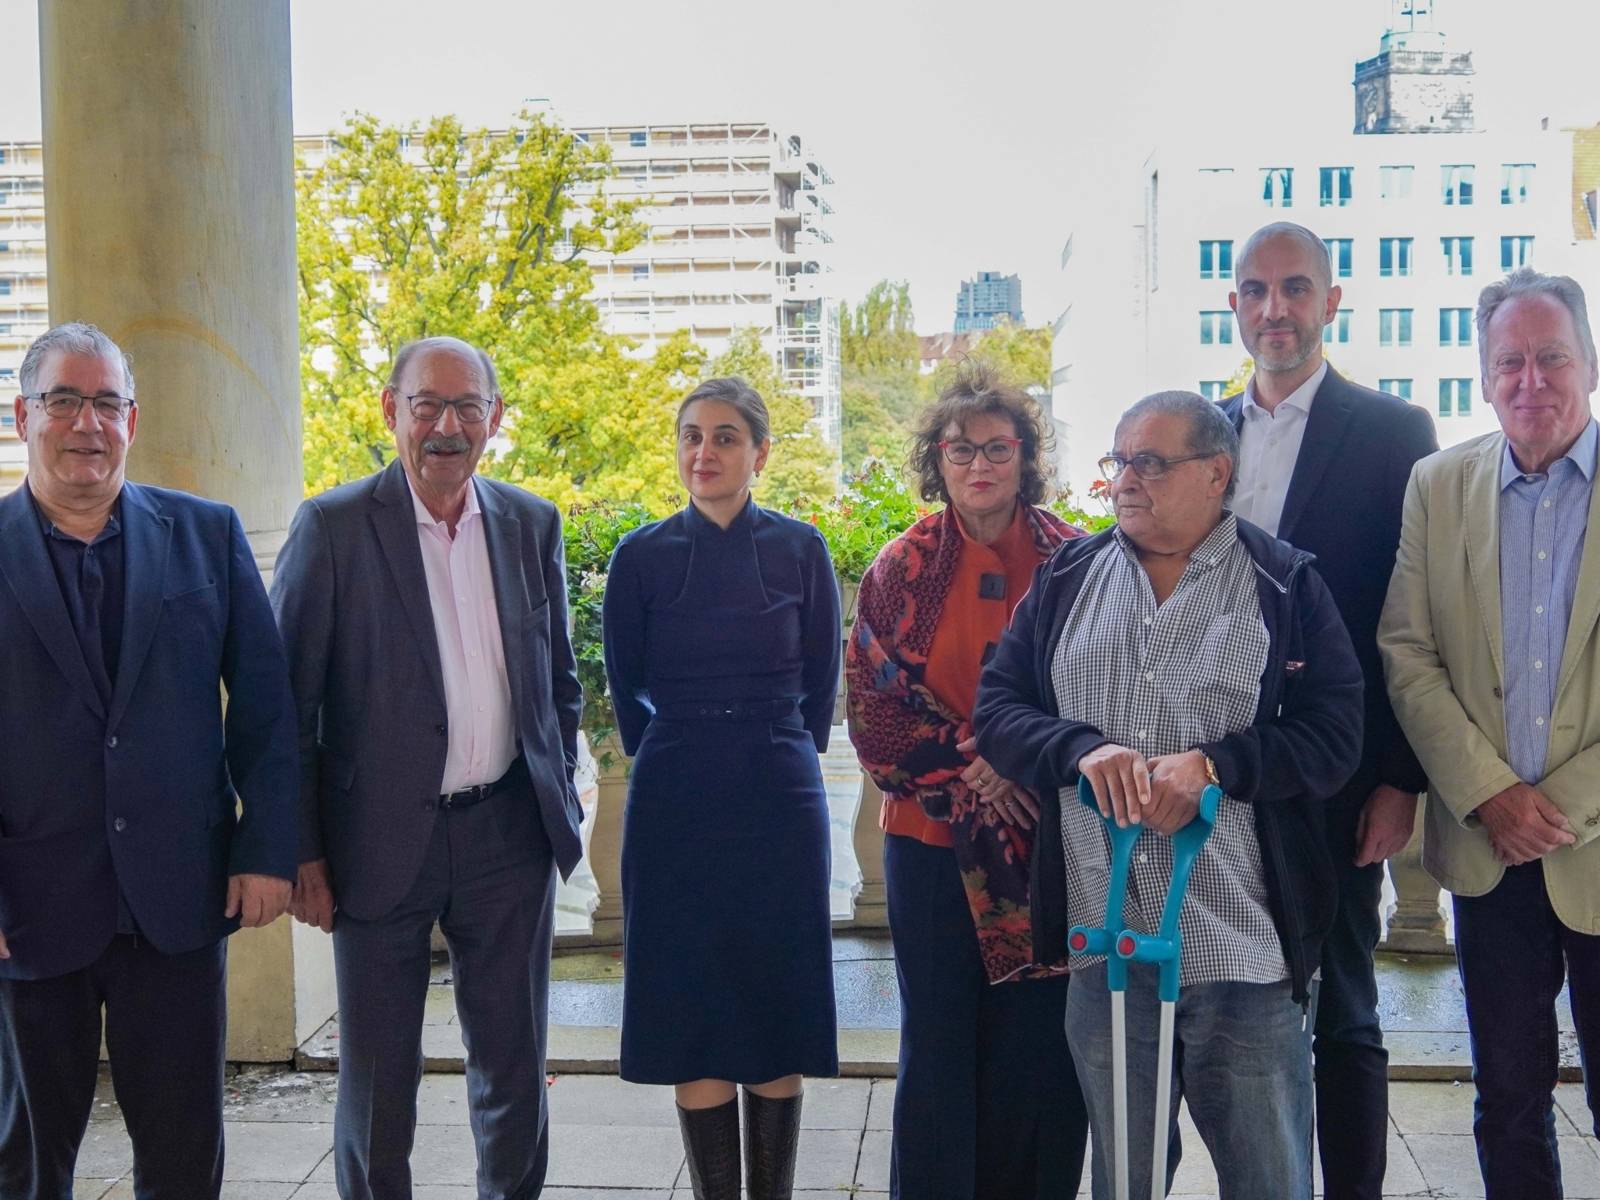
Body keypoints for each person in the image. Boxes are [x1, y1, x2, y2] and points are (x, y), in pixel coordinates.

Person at [975, 390, 1363, 1199]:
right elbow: (999, 710)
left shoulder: (1283, 583)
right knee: (1127, 1181)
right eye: (1120, 461)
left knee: (1269, 1180)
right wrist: (1081, 750)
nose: (1126, 480)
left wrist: (1217, 765)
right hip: (1106, 941)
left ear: (1216, 473)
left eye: (1152, 462)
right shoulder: (1068, 578)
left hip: (1242, 950)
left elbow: (1335, 737)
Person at [271, 335, 583, 1199]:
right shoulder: (331, 528)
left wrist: (557, 795)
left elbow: (557, 679)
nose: (447, 426)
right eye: (427, 405)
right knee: (378, 1085)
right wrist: (301, 852)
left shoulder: (531, 522)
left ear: (495, 418)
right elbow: (285, 709)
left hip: (509, 839)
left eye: (467, 406)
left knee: (514, 1074)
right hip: (375, 843)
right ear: (389, 410)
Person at [0, 322, 298, 1198]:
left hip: (177, 898)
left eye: (106, 403)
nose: (86, 422)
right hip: (26, 906)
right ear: (23, 416)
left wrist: (264, 848)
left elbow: (268, 710)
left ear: (133, 418)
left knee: (181, 1156)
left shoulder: (207, 536)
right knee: (23, 1161)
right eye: (64, 401)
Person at [1220, 220, 1438, 1197]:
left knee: (1345, 1008)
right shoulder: (1197, 433)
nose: (1276, 310)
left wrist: (1399, 781)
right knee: (1237, 1014)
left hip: (1343, 776)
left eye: (1295, 289)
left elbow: (1408, 619)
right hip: (1222, 776)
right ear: (1233, 306)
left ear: (1330, 303)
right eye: (1257, 291)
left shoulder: (1395, 434)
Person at [1379, 268, 1600, 1199]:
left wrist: (1554, 807)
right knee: (1507, 1098)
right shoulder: (1437, 483)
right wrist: (1491, 795)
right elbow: (1407, 648)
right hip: (1482, 850)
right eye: (1510, 361)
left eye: (1552, 356)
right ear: (1483, 374)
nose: (1531, 380)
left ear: (1589, 362)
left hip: (1595, 845)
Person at [845, 364, 1088, 1199]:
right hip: (931, 846)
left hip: (1048, 845)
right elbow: (874, 718)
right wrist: (979, 764)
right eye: (960, 449)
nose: (978, 464)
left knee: (1040, 1047)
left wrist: (1017, 757)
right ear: (936, 460)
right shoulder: (898, 569)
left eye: (997, 447)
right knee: (940, 1044)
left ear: (1026, 457)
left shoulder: (1077, 560)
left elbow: (1112, 695)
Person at [602, 376, 840, 1200]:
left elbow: (822, 680)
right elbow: (626, 685)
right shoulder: (640, 555)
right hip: (675, 797)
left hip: (779, 791)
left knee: (775, 1006)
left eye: (726, 436)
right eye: (691, 436)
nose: (704, 452)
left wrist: (773, 751)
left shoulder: (802, 548)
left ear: (761, 452)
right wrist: (682, 751)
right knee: (691, 1010)